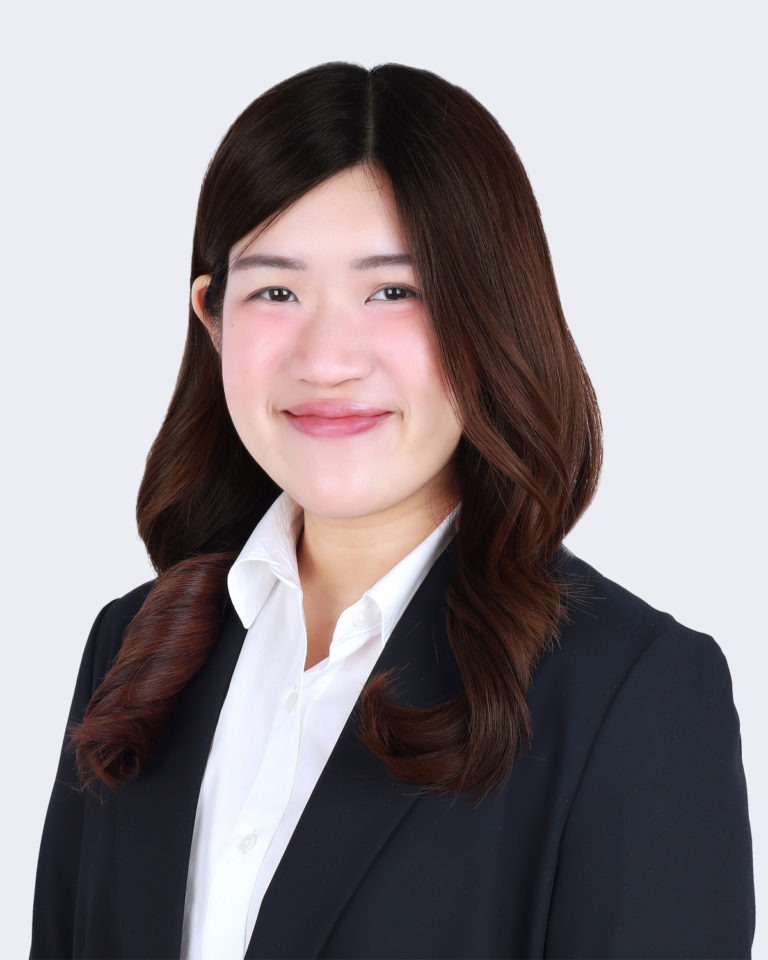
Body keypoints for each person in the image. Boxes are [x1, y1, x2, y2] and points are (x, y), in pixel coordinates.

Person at [30, 62, 754, 960]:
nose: (328, 359)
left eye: (394, 292)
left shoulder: (632, 696)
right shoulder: (134, 651)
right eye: (276, 291)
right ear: (213, 320)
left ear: (489, 315)